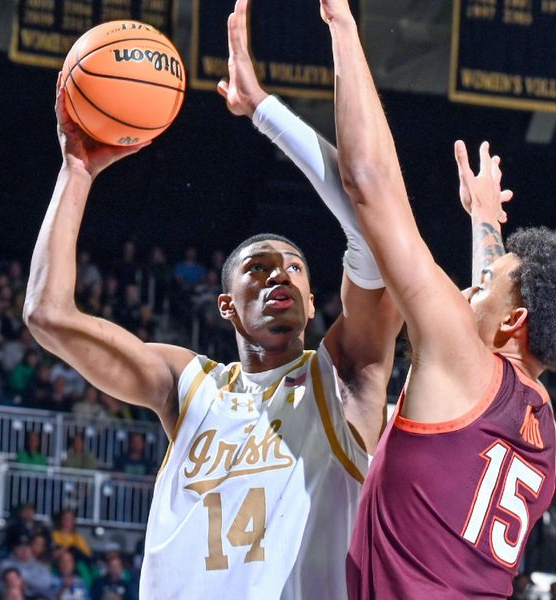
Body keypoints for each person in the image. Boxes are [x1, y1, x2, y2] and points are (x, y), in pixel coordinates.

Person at [23, 9, 401, 596]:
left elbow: (377, 229)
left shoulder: (348, 373)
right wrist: (76, 170)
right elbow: (48, 315)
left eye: (295, 269)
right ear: (227, 306)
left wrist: (266, 112)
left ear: (309, 298)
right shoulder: (190, 384)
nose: (281, 276)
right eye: (259, 268)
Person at [317, 0, 556, 596]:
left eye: (486, 282)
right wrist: (484, 225)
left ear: (514, 320)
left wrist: (344, 29)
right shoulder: (542, 425)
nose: (471, 286)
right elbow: (492, 318)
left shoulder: (463, 362)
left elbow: (367, 182)